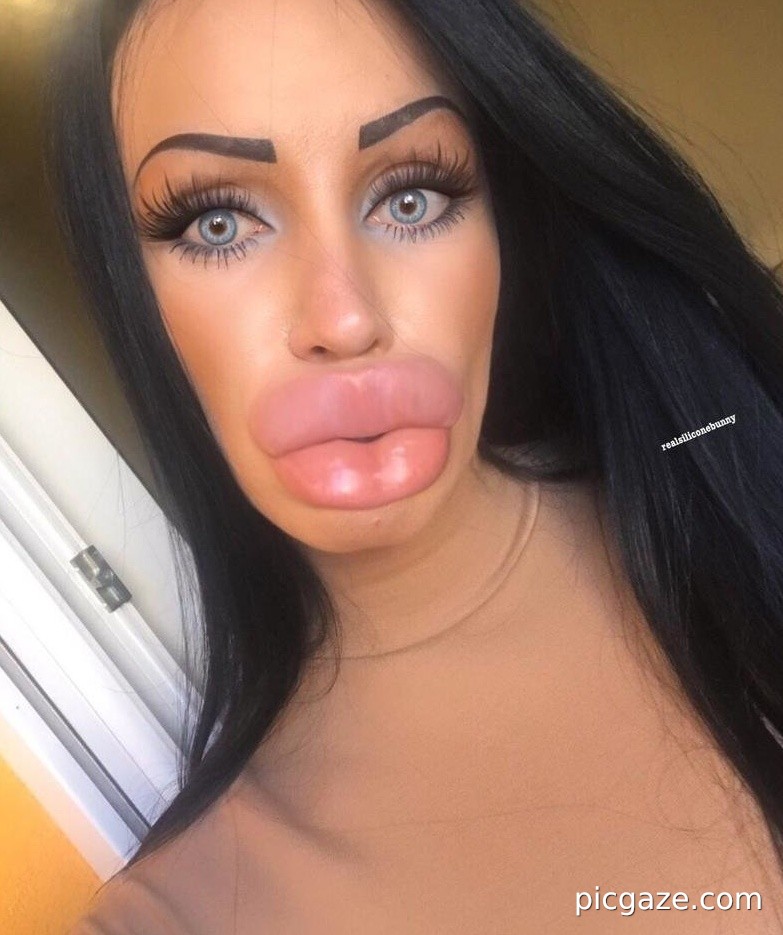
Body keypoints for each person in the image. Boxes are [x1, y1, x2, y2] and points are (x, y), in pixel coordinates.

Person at [46, 0, 783, 931]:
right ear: (134, 295)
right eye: (219, 222)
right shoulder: (180, 915)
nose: (345, 318)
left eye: (411, 196)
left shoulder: (721, 464)